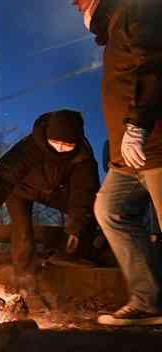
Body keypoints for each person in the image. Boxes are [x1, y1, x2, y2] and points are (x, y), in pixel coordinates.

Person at [73, 0, 162, 325]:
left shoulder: (136, 10)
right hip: (129, 156)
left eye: (80, 2)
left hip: (155, 143)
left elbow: (150, 65)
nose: (78, 8)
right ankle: (148, 301)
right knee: (110, 208)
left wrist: (137, 125)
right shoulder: (115, 28)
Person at [0, 110, 101, 292]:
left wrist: (76, 228)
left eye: (67, 145)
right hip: (22, 191)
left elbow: (83, 193)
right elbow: (2, 177)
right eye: (55, 142)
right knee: (22, 233)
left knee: (91, 212)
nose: (60, 149)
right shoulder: (30, 146)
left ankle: (77, 255)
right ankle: (25, 282)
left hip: (56, 192)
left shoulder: (82, 157)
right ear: (47, 136)